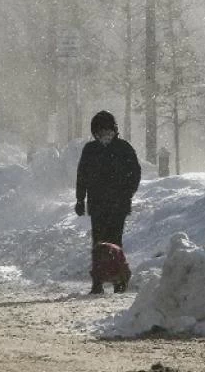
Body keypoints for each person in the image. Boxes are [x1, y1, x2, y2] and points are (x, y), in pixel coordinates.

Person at [74, 110, 141, 294]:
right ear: (95, 134)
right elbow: (82, 176)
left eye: (108, 133)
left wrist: (127, 193)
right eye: (100, 133)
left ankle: (119, 280)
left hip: (118, 205)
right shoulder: (90, 150)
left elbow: (135, 173)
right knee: (98, 243)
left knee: (115, 242)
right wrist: (80, 199)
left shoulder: (124, 149)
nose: (105, 137)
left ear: (115, 131)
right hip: (97, 205)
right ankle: (98, 281)